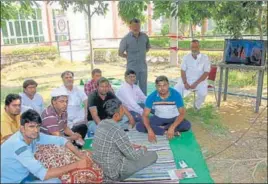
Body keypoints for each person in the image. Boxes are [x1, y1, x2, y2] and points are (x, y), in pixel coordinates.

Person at [1, 109, 91, 183]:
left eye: (38, 126)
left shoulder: (32, 135)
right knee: (55, 182)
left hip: (24, 173)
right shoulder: (19, 146)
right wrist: (77, 165)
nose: (36, 130)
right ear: (22, 128)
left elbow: (60, 140)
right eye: (31, 126)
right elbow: (44, 175)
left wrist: (79, 154)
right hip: (15, 180)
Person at [92, 99, 157, 182]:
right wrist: (142, 149)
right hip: (114, 172)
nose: (124, 112)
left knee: (127, 152)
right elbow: (134, 156)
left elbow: (111, 142)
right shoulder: (117, 130)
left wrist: (129, 145)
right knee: (152, 155)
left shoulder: (101, 124)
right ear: (116, 115)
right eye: (122, 110)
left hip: (100, 167)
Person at [136, 76, 191, 142]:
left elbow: (182, 113)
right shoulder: (152, 96)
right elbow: (145, 115)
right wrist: (149, 130)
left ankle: (162, 128)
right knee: (139, 126)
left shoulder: (176, 95)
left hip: (173, 118)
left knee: (186, 125)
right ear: (156, 87)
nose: (162, 88)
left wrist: (172, 127)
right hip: (158, 118)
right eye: (159, 86)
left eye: (164, 85)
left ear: (168, 85)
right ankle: (166, 132)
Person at [174, 40, 211, 110]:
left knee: (203, 94)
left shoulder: (205, 57)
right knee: (176, 91)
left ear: (199, 47)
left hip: (200, 81)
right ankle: (177, 107)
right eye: (192, 47)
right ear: (190, 47)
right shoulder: (186, 57)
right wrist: (185, 82)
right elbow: (182, 70)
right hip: (186, 80)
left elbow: (206, 72)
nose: (194, 49)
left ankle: (196, 106)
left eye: (196, 47)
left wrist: (196, 83)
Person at [119, 18, 150, 95]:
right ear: (130, 27)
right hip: (132, 67)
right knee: (132, 86)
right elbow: (120, 53)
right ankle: (133, 104)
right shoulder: (125, 39)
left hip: (143, 67)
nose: (136, 28)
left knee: (143, 87)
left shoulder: (145, 36)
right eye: (134, 26)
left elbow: (147, 48)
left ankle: (144, 104)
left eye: (138, 26)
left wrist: (141, 54)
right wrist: (129, 57)